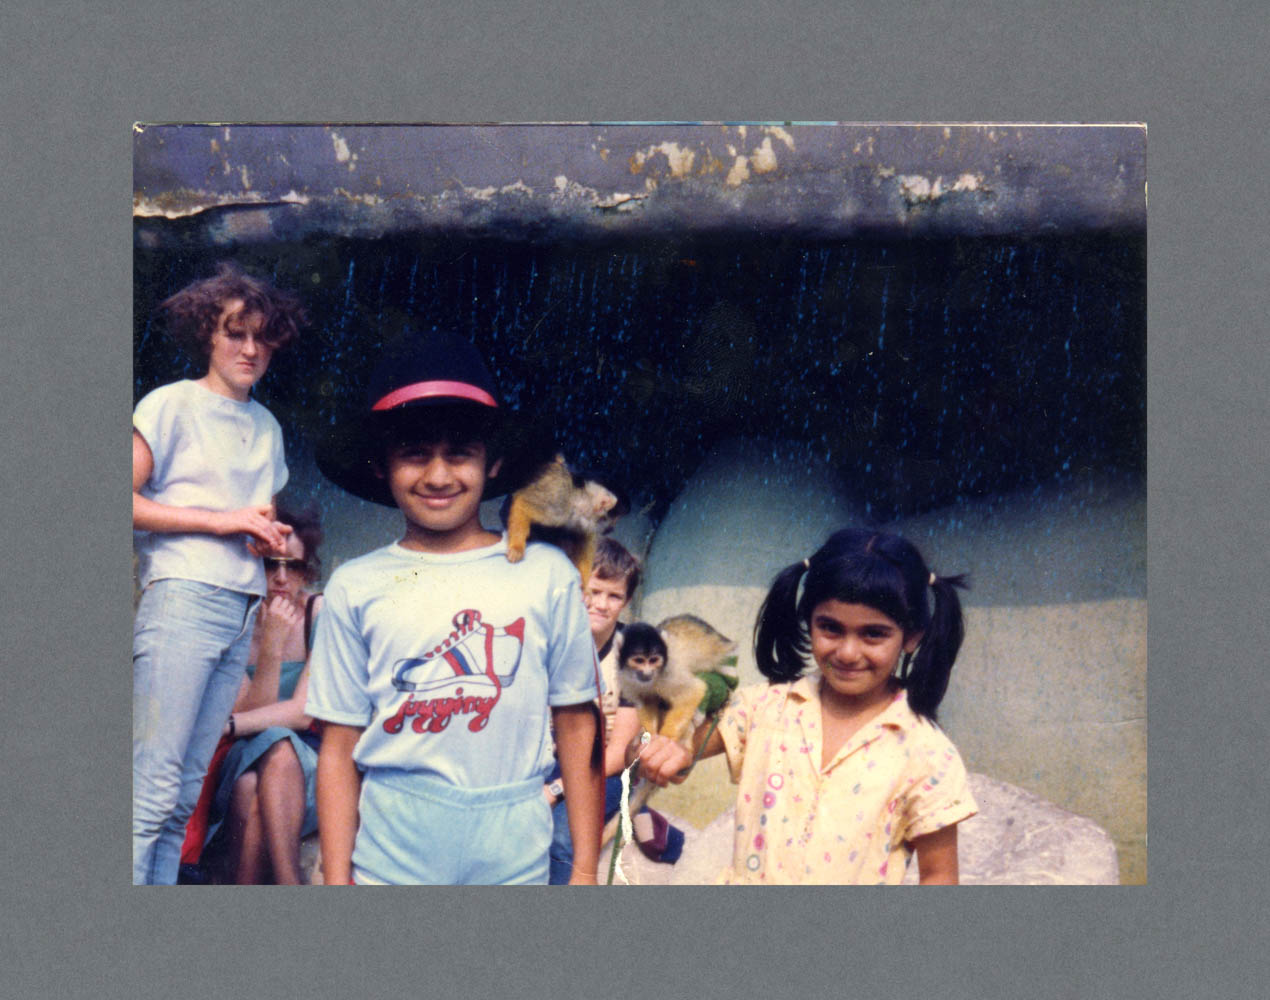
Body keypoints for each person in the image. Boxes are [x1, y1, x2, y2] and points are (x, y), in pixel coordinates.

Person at [305, 330, 605, 885]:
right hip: (392, 845)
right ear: (381, 466)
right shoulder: (355, 585)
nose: (439, 476)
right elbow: (339, 746)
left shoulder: (546, 576)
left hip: (513, 842)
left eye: (460, 454)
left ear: (494, 465)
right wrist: (338, 879)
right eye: (414, 454)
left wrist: (584, 868)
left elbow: (577, 722)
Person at [638, 528, 978, 884]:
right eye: (830, 628)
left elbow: (939, 876)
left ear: (911, 637)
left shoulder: (928, 754)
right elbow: (678, 752)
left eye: (873, 634)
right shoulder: (764, 708)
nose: (847, 652)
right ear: (808, 621)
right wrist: (666, 752)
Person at [132, 262, 306, 885]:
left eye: (262, 336)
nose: (250, 349)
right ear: (208, 334)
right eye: (236, 333)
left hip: (241, 609)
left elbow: (248, 518)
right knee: (149, 791)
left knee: (182, 798)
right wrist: (225, 521)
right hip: (182, 601)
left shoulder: (267, 427)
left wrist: (270, 547)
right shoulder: (171, 404)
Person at [543, 537, 684, 883]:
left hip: (600, 765)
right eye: (593, 591)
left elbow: (620, 751)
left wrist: (556, 789)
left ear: (626, 601)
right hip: (548, 755)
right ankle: (642, 816)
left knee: (564, 839)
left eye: (614, 596)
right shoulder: (549, 637)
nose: (600, 604)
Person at [204, 504, 325, 884]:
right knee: (266, 751)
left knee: (254, 782)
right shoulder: (234, 619)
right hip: (243, 753)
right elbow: (254, 715)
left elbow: (304, 713)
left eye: (295, 567)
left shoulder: (319, 613)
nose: (282, 578)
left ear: (310, 571)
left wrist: (229, 724)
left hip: (305, 757)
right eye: (272, 564)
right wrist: (271, 646)